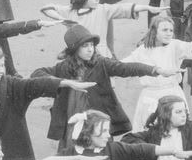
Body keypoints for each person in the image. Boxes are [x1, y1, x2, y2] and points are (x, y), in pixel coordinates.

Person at [32, 24, 172, 150]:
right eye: (85, 46)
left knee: (102, 159)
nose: (90, 50)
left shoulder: (101, 63)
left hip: (98, 122)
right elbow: (37, 74)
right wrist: (63, 82)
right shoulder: (63, 67)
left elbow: (125, 68)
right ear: (74, 49)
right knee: (72, 159)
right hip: (72, 123)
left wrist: (154, 70)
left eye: (91, 45)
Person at [122, 16, 192, 131]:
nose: (169, 33)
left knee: (178, 131)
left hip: (173, 94)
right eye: (164, 30)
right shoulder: (141, 51)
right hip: (151, 96)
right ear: (154, 31)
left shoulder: (174, 45)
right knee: (151, 131)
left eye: (171, 30)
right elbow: (121, 66)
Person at [58, 109, 192, 160]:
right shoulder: (68, 154)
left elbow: (144, 149)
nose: (108, 135)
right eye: (104, 131)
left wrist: (173, 151)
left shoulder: (115, 150)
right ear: (87, 132)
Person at [41, 0, 162, 58]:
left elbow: (124, 7)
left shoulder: (103, 9)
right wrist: (62, 20)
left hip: (100, 54)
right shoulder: (70, 10)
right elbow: (46, 8)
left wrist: (147, 7)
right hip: (78, 54)